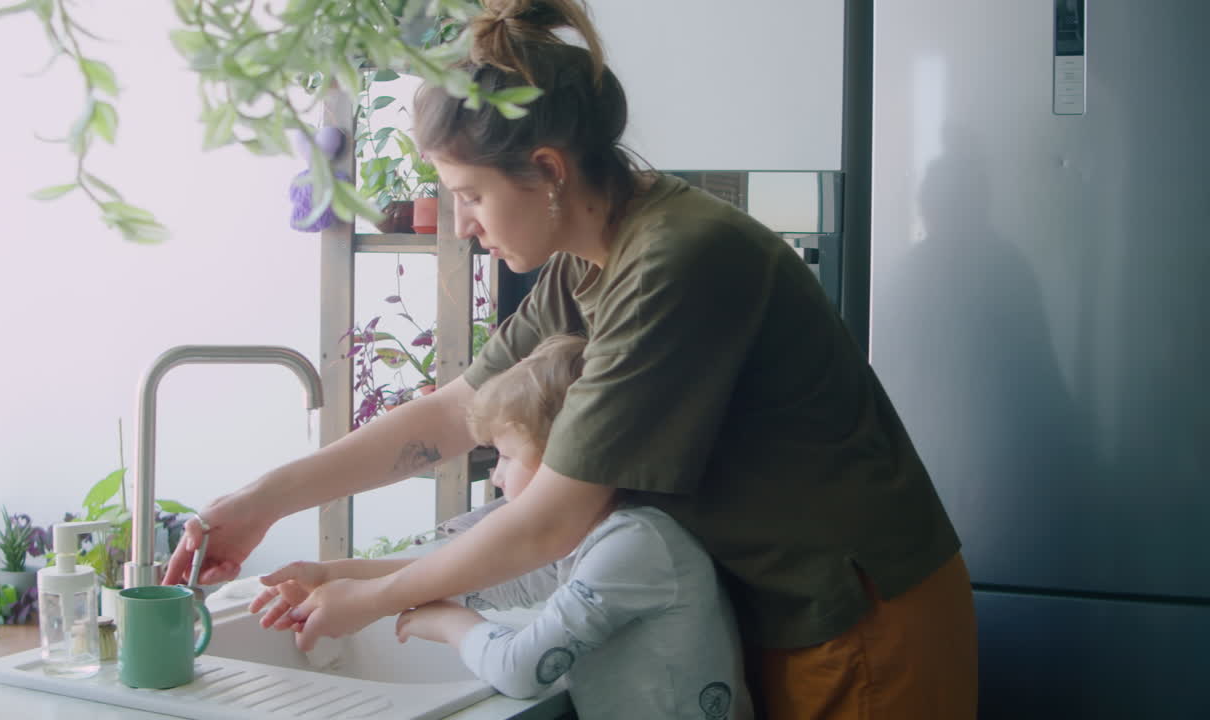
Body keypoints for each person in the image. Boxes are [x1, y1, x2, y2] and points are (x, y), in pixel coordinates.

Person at [164, 1, 979, 717]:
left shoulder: (673, 263)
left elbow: (551, 519)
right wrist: (261, 502)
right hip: (787, 599)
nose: (464, 223)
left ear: (548, 171)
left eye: (471, 195)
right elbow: (457, 412)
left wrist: (374, 595)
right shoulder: (585, 261)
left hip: (856, 612)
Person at [252, 335, 753, 718]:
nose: (495, 476)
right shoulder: (594, 537)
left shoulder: (635, 547)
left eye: (507, 456)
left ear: (568, 458)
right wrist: (337, 574)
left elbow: (522, 670)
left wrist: (445, 624)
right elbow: (479, 579)